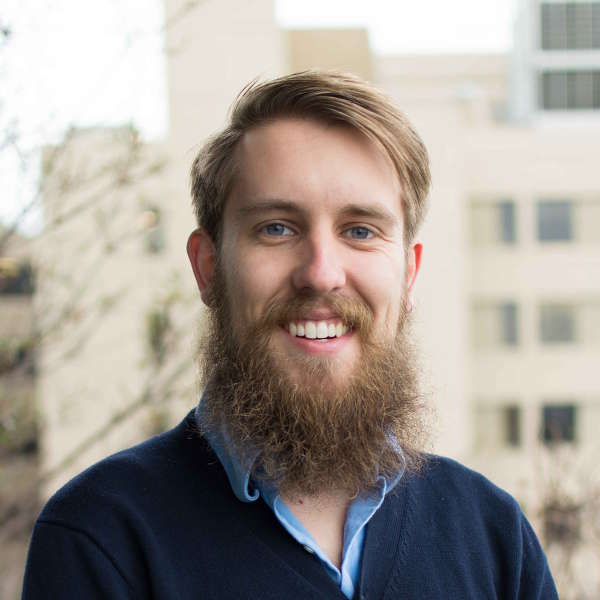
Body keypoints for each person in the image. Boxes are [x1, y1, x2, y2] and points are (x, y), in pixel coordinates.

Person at [22, 71, 558, 599]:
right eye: (276, 228)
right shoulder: (101, 540)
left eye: (360, 231)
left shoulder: (494, 537)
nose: (321, 273)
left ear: (408, 276)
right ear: (208, 267)